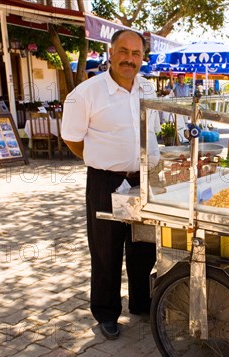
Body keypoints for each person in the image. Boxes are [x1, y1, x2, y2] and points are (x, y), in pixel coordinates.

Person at [61, 29, 160, 340]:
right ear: (110, 52)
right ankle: (106, 312)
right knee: (106, 249)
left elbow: (153, 131)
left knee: (143, 245)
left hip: (142, 179)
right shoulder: (86, 93)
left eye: (136, 54)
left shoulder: (147, 88)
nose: (129, 59)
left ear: (143, 58)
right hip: (105, 181)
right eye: (123, 51)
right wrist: (101, 161)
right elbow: (72, 139)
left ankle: (142, 304)